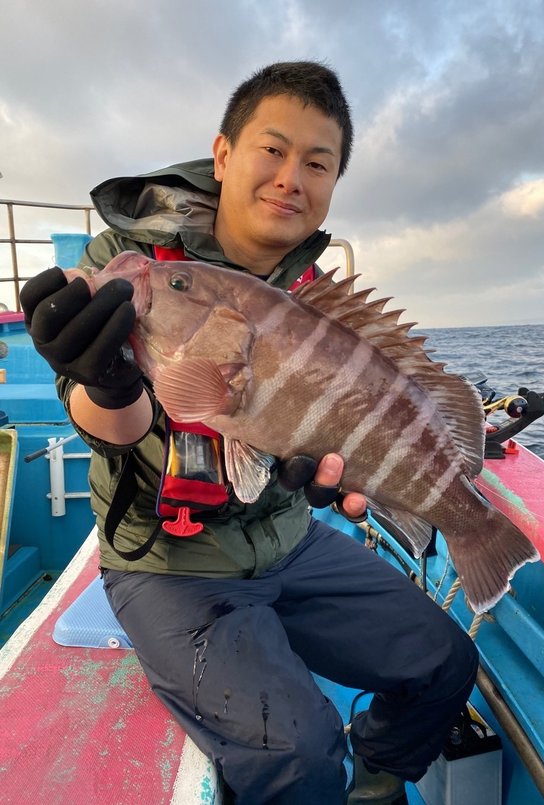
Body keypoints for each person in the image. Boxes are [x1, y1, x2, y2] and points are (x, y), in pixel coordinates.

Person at [20, 61, 478, 805]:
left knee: (446, 660)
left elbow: (344, 424)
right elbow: (111, 426)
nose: (290, 177)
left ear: (332, 185)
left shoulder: (316, 293)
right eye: (273, 149)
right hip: (170, 567)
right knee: (299, 751)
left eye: (317, 163)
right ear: (225, 154)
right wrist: (106, 378)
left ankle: (378, 778)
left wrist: (338, 479)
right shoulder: (127, 262)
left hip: (288, 541)